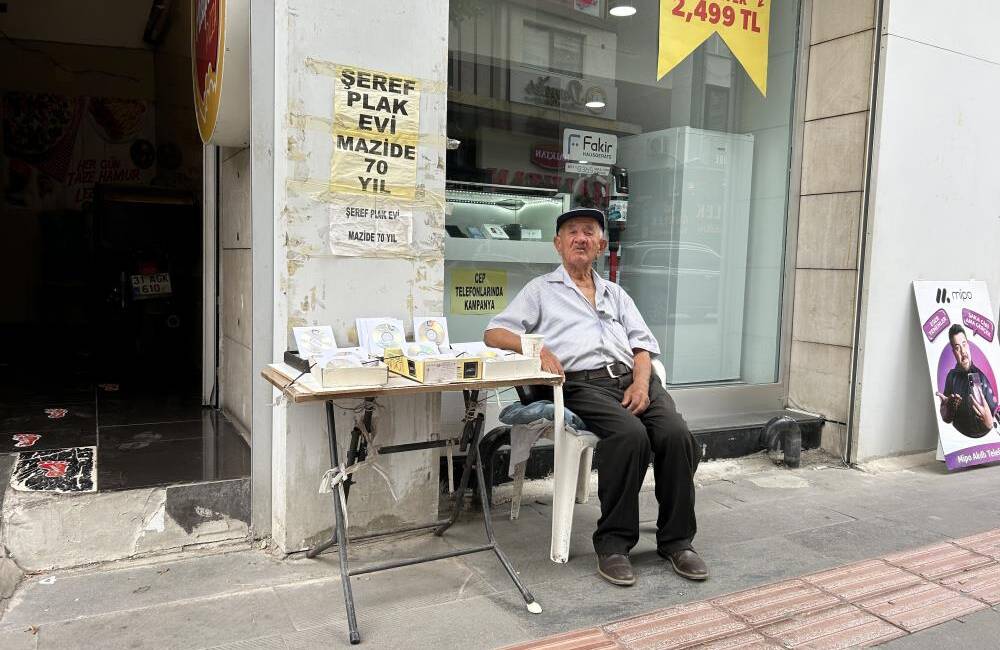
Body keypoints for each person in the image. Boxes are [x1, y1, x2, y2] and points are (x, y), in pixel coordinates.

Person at [484, 207, 705, 587]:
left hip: (632, 379)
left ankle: (677, 540)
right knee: (629, 436)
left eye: (589, 232)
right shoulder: (541, 290)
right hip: (583, 384)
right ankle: (614, 545)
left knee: (676, 435)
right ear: (558, 244)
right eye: (572, 232)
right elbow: (494, 332)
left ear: (601, 244)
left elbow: (641, 348)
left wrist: (640, 384)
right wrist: (534, 348)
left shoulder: (615, 294)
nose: (580, 238)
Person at [938, 324, 997, 437]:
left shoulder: (980, 377)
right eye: (957, 348)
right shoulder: (951, 377)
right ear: (954, 352)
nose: (963, 352)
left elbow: (995, 414)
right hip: (960, 444)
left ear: (968, 345)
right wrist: (946, 410)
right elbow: (946, 419)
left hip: (983, 446)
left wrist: (990, 423)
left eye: (964, 344)